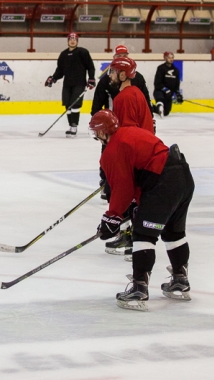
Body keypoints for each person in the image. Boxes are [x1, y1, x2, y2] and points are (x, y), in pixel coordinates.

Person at [89, 110, 195, 311]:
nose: (96, 137)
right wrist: (137, 204)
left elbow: (122, 187)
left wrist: (112, 217)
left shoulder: (113, 149)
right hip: (182, 177)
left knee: (143, 234)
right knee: (174, 232)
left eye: (96, 132)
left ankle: (139, 289)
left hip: (162, 184)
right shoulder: (130, 132)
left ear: (102, 132)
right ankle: (180, 280)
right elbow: (141, 173)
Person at [100, 56, 155, 257]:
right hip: (144, 152)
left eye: (113, 72)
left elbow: (128, 131)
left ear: (123, 75)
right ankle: (132, 236)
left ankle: (130, 237)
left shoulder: (124, 97)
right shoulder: (135, 93)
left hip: (135, 155)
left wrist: (120, 163)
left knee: (130, 196)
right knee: (134, 198)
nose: (110, 75)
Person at [91, 45, 154, 202]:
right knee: (108, 153)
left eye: (124, 55)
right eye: (119, 56)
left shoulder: (131, 88)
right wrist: (99, 124)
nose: (121, 58)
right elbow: (97, 103)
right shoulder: (108, 81)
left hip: (126, 131)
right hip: (113, 125)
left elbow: (144, 103)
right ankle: (107, 180)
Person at [45, 32, 96, 137]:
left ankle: (74, 127)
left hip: (79, 84)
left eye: (75, 39)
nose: (72, 41)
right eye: (70, 39)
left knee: (75, 105)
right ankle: (70, 126)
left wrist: (91, 79)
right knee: (68, 105)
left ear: (77, 41)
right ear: (68, 41)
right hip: (67, 84)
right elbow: (60, 70)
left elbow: (90, 67)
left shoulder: (83, 52)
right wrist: (53, 78)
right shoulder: (63, 54)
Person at [153, 51, 182, 118]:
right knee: (160, 98)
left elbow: (177, 84)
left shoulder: (176, 70)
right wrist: (165, 89)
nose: (171, 59)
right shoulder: (161, 68)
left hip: (169, 95)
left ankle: (152, 107)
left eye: (172, 57)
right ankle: (160, 105)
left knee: (166, 112)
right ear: (165, 58)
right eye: (169, 58)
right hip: (160, 91)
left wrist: (178, 94)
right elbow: (157, 83)